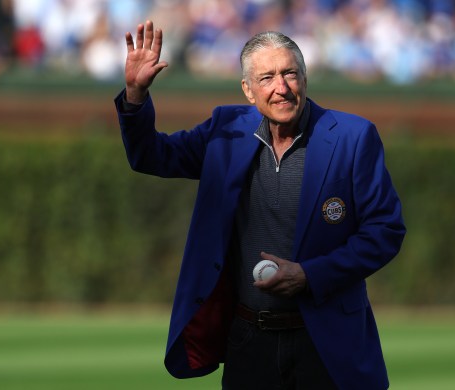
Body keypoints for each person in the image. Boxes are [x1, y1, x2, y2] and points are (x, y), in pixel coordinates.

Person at [115, 20, 406, 390]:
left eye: (290, 74)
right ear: (248, 91)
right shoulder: (226, 128)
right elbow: (152, 156)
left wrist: (309, 275)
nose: (281, 88)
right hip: (249, 341)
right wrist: (135, 96)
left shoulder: (353, 136)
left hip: (328, 341)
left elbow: (385, 231)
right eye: (266, 77)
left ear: (305, 78)